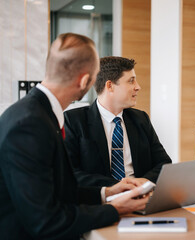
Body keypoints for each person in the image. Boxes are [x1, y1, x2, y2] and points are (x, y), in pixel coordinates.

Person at [0, 33, 149, 239]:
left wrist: (107, 193)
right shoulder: (29, 125)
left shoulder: (37, 113)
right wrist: (115, 209)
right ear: (85, 80)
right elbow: (46, 221)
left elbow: (54, 191)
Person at [64, 56, 172, 187]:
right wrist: (118, 187)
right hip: (101, 200)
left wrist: (142, 182)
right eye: (131, 81)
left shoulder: (141, 119)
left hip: (140, 195)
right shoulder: (73, 120)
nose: (138, 87)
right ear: (110, 86)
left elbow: (164, 163)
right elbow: (70, 172)